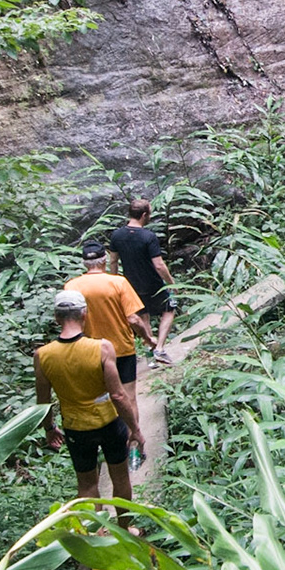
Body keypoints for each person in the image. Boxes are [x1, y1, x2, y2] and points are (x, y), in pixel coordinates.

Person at [35, 289, 145, 505]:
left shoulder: (42, 356)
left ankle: (97, 534)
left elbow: (43, 402)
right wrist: (135, 429)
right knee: (120, 478)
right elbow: (118, 395)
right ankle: (125, 529)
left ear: (57, 318)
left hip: (76, 427)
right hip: (109, 423)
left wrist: (49, 429)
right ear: (84, 314)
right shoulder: (102, 348)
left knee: (86, 484)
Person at [64, 241, 152, 406]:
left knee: (101, 400)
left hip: (89, 351)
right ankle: (133, 431)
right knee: (128, 397)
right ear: (104, 260)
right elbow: (133, 319)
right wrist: (147, 337)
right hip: (121, 349)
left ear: (84, 263)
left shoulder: (71, 287)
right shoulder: (119, 282)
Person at [108, 198, 178, 360]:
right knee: (168, 310)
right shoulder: (148, 236)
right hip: (152, 283)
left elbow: (113, 260)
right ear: (144, 215)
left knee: (143, 315)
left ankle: (149, 350)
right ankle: (159, 348)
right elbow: (159, 265)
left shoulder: (117, 235)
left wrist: (114, 281)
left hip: (130, 284)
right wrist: (172, 283)